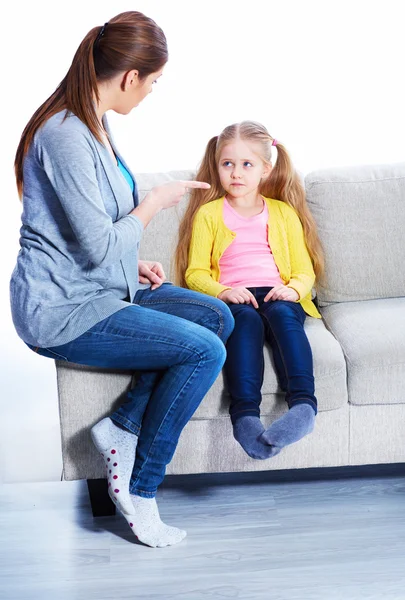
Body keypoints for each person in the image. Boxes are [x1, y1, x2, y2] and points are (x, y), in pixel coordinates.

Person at [10, 11, 234, 548]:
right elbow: (96, 242)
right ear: (130, 77)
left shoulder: (95, 123)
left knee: (216, 314)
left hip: (99, 285)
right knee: (205, 351)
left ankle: (121, 426)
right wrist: (154, 204)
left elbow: (85, 230)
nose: (151, 92)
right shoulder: (65, 135)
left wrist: (129, 263)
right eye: (153, 82)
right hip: (62, 311)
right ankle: (140, 489)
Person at [175, 121, 324, 460]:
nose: (236, 173)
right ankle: (245, 417)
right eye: (227, 164)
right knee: (244, 325)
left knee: (286, 320)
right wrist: (223, 290)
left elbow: (304, 270)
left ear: (265, 170)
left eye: (247, 164)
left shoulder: (283, 213)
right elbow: (195, 272)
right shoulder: (209, 214)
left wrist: (293, 289)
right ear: (217, 167)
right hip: (236, 297)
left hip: (277, 293)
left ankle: (303, 406)